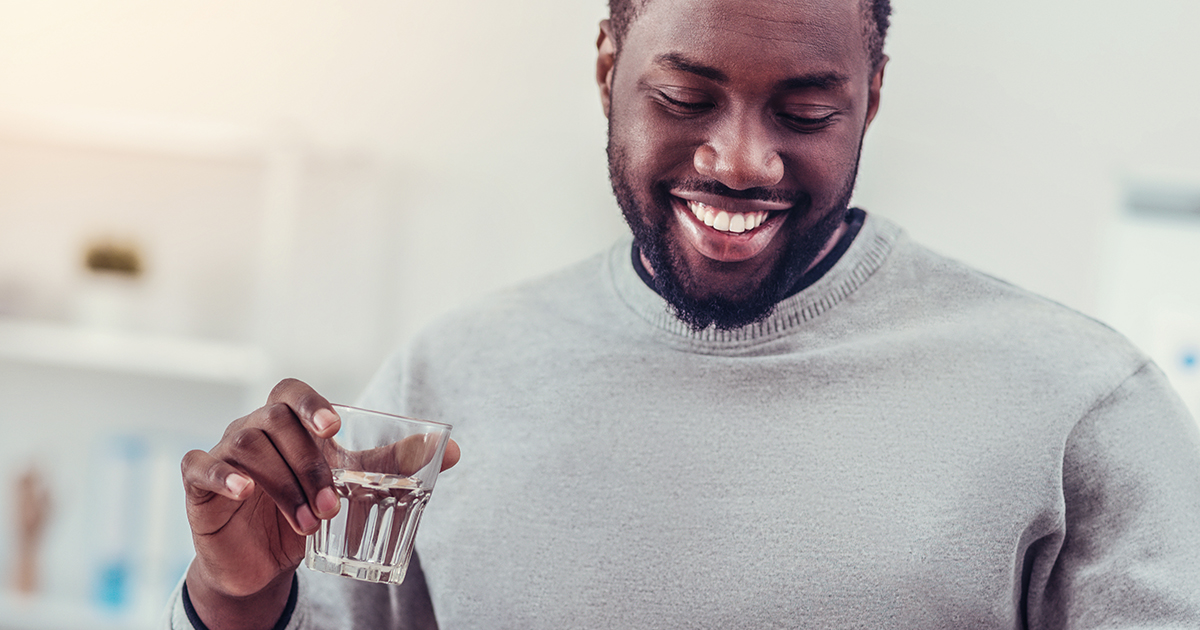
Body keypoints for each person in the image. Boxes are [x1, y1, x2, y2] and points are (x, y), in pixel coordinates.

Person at [169, 0, 1200, 627]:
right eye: (684, 98)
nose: (741, 159)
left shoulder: (1078, 405)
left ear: (873, 96)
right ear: (609, 65)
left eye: (806, 112)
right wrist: (237, 598)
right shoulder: (448, 380)